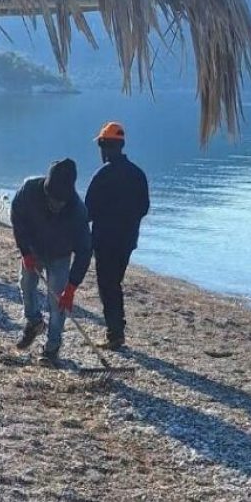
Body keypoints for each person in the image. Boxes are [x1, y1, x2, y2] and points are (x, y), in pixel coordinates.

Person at [10, 158, 93, 366]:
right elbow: (17, 217)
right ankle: (34, 322)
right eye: (52, 198)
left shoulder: (78, 211)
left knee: (58, 304)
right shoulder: (29, 190)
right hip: (34, 249)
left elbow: (84, 252)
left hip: (60, 257)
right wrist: (25, 251)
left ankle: (52, 347)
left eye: (60, 201)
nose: (55, 205)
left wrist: (72, 287)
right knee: (26, 284)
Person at [84, 122, 149, 350]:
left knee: (108, 285)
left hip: (104, 240)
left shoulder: (103, 175)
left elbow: (87, 211)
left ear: (104, 147)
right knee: (115, 282)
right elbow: (144, 208)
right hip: (128, 241)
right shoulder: (137, 174)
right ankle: (116, 330)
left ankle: (115, 334)